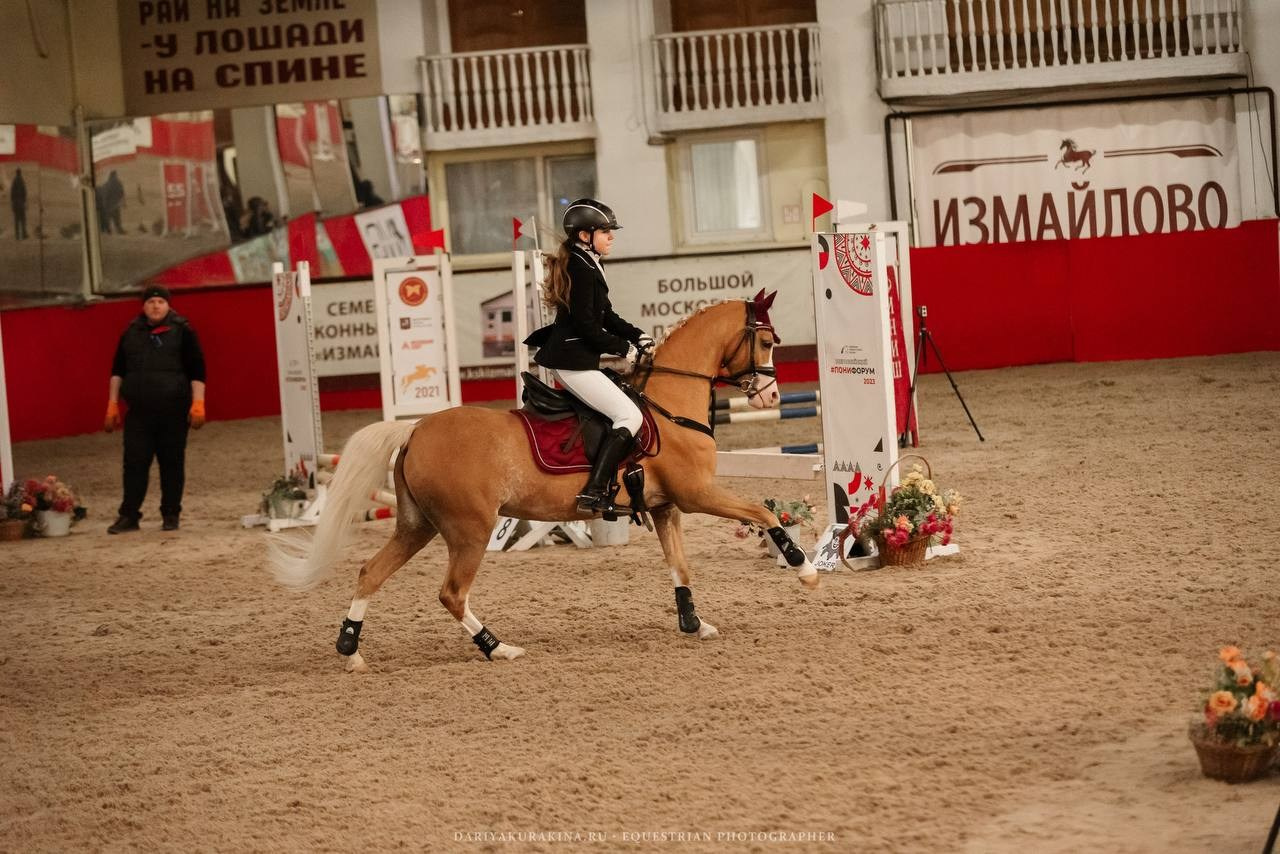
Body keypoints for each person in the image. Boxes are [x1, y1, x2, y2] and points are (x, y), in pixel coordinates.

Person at [525, 198, 654, 514]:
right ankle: (594, 492)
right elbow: (585, 325)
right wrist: (623, 349)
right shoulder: (579, 267)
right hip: (572, 361)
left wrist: (637, 335)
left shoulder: (587, 262)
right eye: (606, 232)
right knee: (630, 416)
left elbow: (605, 314)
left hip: (577, 357)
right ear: (585, 235)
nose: (611, 237)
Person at [103, 286, 207, 533]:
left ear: (168, 305)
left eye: (161, 301)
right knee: (134, 463)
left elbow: (197, 370)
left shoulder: (183, 330)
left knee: (171, 463)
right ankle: (129, 516)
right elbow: (118, 370)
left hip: (173, 410)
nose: (156, 306)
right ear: (144, 306)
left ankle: (171, 514)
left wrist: (198, 402)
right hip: (139, 413)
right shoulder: (130, 332)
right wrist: (112, 403)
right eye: (151, 301)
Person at [10, 168, 27, 240]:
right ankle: (23, 234)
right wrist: (24, 201)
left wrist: (13, 202)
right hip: (21, 204)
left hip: (16, 204)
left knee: (17, 220)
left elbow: (12, 193)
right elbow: (24, 192)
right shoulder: (22, 181)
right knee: (23, 219)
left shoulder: (14, 181)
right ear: (20, 173)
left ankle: (17, 235)